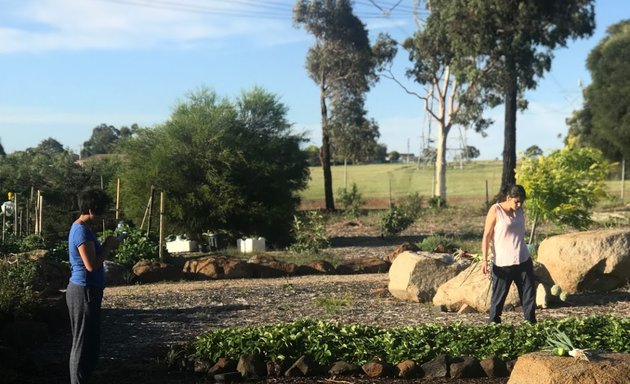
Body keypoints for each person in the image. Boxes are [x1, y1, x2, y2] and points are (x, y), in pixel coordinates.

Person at [66, 187, 120, 384]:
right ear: (90, 210)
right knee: (82, 342)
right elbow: (91, 265)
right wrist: (107, 246)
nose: (103, 216)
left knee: (90, 341)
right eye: (101, 211)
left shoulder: (85, 229)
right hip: (83, 290)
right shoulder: (81, 230)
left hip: (89, 290)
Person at [481, 184, 536, 324]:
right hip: (503, 263)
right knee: (498, 298)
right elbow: (486, 236)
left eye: (521, 201)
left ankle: (531, 324)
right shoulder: (496, 210)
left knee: (528, 295)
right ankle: (493, 325)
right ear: (508, 198)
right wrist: (484, 260)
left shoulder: (519, 211)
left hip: (523, 259)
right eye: (516, 201)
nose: (519, 204)